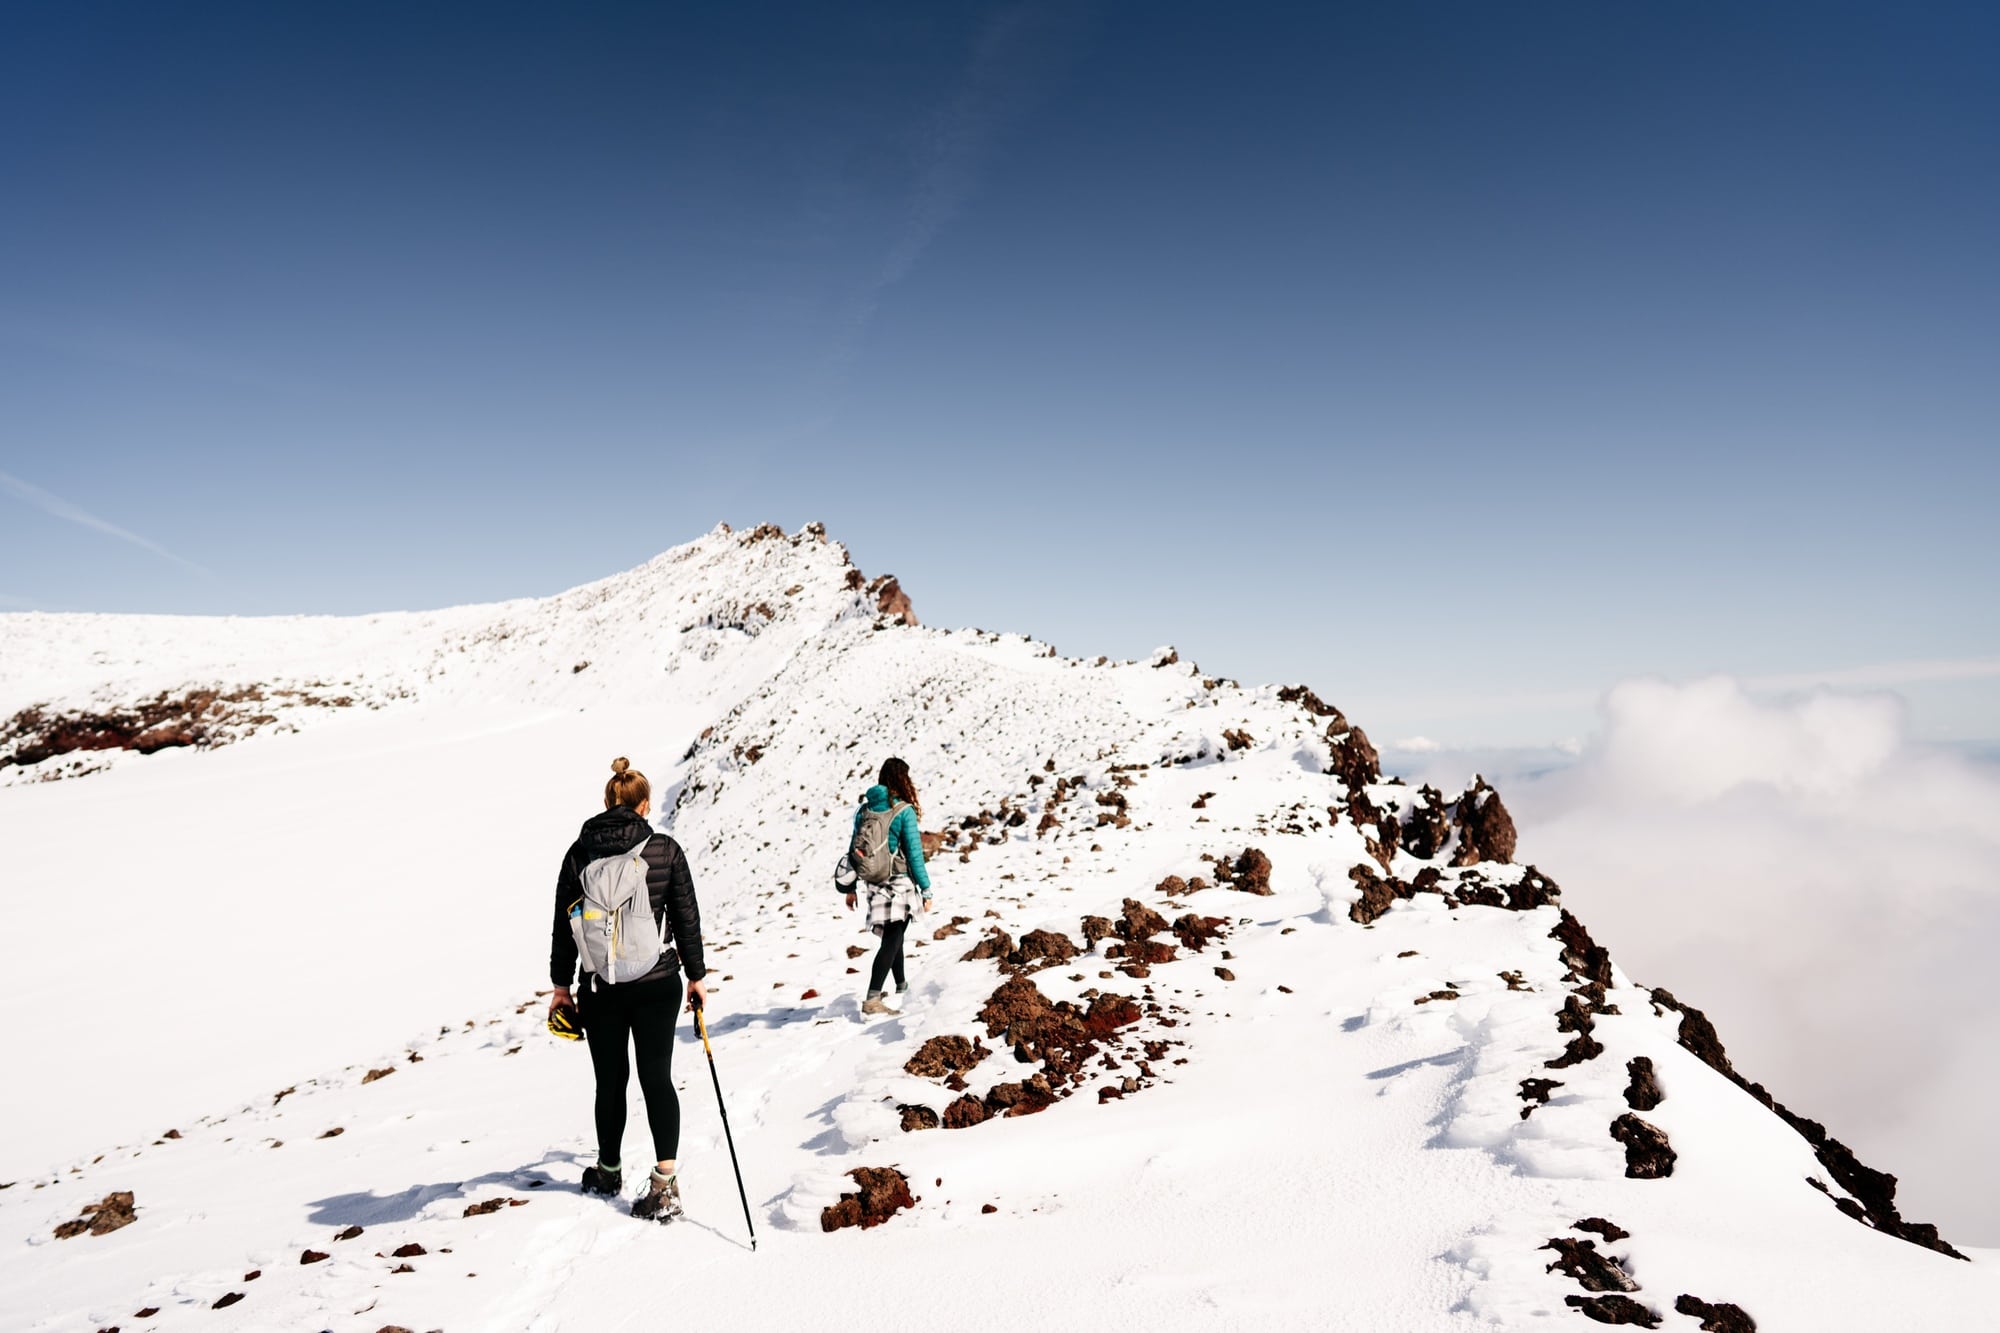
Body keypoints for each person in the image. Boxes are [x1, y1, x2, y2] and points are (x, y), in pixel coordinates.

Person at [548, 757, 707, 1221]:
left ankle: (608, 1170)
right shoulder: (664, 850)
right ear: (644, 805)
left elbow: (564, 928)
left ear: (607, 803)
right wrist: (696, 976)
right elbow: (685, 918)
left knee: (610, 1080)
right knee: (656, 1077)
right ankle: (665, 1183)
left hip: (601, 989)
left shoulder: (579, 855)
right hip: (658, 983)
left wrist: (561, 987)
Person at [844, 757, 932, 1015]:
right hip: (898, 882)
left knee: (894, 935)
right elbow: (915, 855)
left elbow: (854, 850)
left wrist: (850, 888)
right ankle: (872, 998)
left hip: (873, 882)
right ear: (902, 780)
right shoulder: (903, 811)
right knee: (893, 937)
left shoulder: (865, 810)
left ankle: (902, 985)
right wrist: (926, 890)